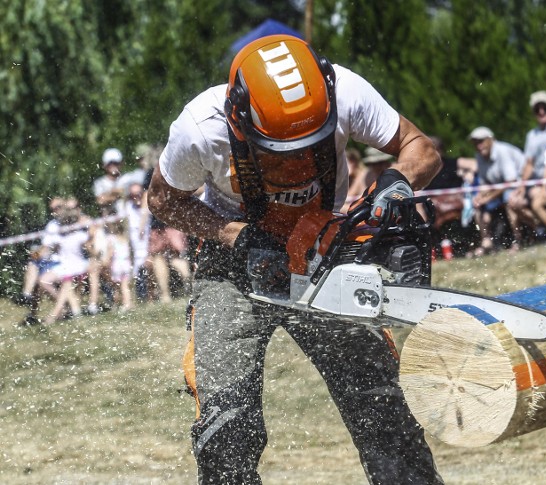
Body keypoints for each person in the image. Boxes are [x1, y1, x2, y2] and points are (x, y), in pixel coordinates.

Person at [147, 35, 442, 484]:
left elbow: (421, 147)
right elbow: (162, 199)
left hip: (325, 253)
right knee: (227, 424)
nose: (298, 159)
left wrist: (397, 182)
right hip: (234, 266)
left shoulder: (342, 91)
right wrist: (232, 233)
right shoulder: (200, 129)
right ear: (240, 117)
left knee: (379, 401)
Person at [468, 126, 526, 255]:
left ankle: (518, 239)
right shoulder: (479, 156)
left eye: (481, 141)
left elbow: (510, 181)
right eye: (475, 142)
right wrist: (479, 196)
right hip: (500, 188)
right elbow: (485, 184)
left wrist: (488, 197)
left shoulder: (502, 151)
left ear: (491, 140)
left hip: (520, 185)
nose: (478, 145)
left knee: (508, 198)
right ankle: (486, 241)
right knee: (476, 204)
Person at [510, 91, 546, 239]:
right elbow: (529, 164)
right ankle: (545, 227)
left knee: (537, 202)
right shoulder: (532, 135)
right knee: (513, 203)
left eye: (544, 107)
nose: (541, 112)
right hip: (537, 182)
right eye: (537, 109)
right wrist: (521, 187)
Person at [13, 197, 64, 326]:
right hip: (52, 260)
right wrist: (35, 255)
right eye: (52, 209)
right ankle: (27, 298)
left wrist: (34, 255)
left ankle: (61, 306)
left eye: (57, 207)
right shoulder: (52, 225)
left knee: (37, 270)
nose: (54, 211)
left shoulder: (71, 222)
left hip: (63, 262)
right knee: (33, 263)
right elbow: (45, 247)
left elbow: (45, 248)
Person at [102, 218, 135, 312]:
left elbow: (110, 253)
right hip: (126, 263)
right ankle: (127, 302)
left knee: (117, 287)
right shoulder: (125, 239)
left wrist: (105, 261)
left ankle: (122, 304)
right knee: (125, 285)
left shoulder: (111, 239)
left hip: (117, 265)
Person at [93, 147, 126, 213]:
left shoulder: (127, 178)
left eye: (116, 163)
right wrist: (117, 194)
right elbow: (100, 201)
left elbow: (127, 192)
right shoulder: (99, 183)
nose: (113, 166)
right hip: (110, 220)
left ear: (121, 163)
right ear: (104, 165)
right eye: (110, 163)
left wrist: (108, 195)